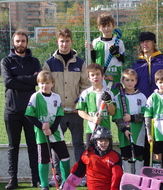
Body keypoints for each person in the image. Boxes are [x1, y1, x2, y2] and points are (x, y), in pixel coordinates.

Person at [43, 28, 91, 186]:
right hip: (57, 114)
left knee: (78, 144)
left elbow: (85, 85)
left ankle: (79, 175)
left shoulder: (80, 63)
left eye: (67, 41)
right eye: (61, 41)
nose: (64, 44)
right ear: (57, 42)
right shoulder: (49, 63)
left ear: (71, 42)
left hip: (76, 111)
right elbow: (45, 86)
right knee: (56, 145)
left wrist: (79, 102)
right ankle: (56, 175)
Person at [1, 30, 41, 189]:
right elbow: (8, 82)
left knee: (33, 146)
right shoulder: (6, 61)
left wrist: (19, 78)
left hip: (31, 112)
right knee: (13, 146)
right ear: (13, 43)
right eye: (18, 41)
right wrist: (29, 81)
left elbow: (37, 81)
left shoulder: (34, 61)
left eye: (23, 41)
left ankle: (35, 179)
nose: (20, 44)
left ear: (27, 42)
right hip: (12, 111)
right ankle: (13, 179)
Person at [132, 31, 163, 166]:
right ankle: (147, 171)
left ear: (153, 43)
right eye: (142, 42)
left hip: (162, 109)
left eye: (148, 41)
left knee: (162, 141)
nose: (145, 44)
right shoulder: (137, 64)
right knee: (146, 140)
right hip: (144, 108)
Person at [25, 71, 70, 190]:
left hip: (56, 132)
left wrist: (53, 128)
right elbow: (29, 114)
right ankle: (44, 184)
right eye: (42, 83)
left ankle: (65, 182)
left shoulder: (56, 97)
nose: (45, 86)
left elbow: (59, 114)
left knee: (65, 156)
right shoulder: (35, 96)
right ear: (38, 84)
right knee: (43, 159)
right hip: (42, 133)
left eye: (47, 83)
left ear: (52, 84)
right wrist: (42, 126)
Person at [112, 68, 147, 174]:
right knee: (126, 156)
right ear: (122, 81)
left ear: (136, 81)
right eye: (127, 80)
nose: (130, 83)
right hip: (125, 134)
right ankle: (127, 178)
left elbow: (146, 115)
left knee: (139, 156)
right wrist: (124, 129)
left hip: (138, 133)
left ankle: (138, 178)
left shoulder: (141, 96)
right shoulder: (118, 98)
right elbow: (117, 118)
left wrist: (131, 118)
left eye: (132, 80)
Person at [76, 63, 116, 149]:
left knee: (106, 156)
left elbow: (112, 112)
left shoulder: (109, 93)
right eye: (92, 75)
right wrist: (92, 119)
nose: (95, 77)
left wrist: (109, 102)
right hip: (91, 129)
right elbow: (80, 111)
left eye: (97, 74)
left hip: (106, 129)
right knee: (91, 156)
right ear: (89, 78)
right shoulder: (86, 93)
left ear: (102, 76)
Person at [86, 13, 126, 95]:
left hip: (115, 73)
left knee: (114, 96)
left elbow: (123, 59)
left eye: (108, 25)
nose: (106, 28)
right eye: (103, 26)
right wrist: (91, 50)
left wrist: (117, 54)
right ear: (99, 28)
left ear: (113, 26)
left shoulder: (119, 42)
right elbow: (94, 60)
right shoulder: (96, 42)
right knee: (101, 96)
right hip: (100, 74)